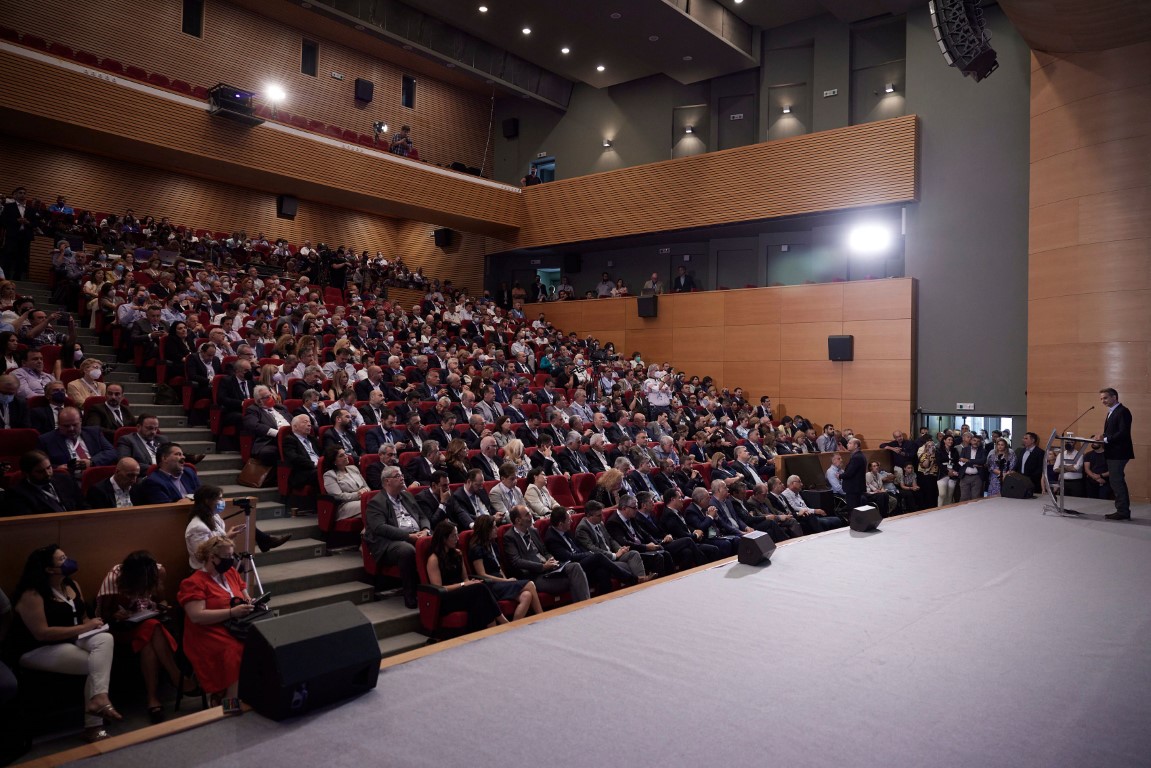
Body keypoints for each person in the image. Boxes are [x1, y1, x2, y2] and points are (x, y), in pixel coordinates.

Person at [9, 544, 120, 742]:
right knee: (94, 664)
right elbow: (42, 634)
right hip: (38, 648)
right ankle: (94, 725)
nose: (68, 561)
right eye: (62, 560)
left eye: (66, 556)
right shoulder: (32, 594)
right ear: (49, 569)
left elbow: (83, 618)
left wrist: (93, 625)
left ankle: (99, 699)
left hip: (73, 639)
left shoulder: (72, 585)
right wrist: (84, 627)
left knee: (105, 638)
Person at [96, 551, 196, 722]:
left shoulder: (158, 571)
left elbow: (162, 600)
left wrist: (161, 607)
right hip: (121, 628)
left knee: (149, 638)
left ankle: (153, 699)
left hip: (144, 623)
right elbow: (103, 615)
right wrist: (116, 615)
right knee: (153, 628)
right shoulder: (114, 578)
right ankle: (176, 677)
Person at [177, 535, 252, 707]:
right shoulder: (194, 582)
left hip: (233, 625)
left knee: (257, 642)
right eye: (226, 556)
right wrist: (232, 612)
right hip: (205, 632)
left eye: (232, 555)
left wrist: (249, 602)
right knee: (235, 650)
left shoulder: (230, 573)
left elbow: (244, 593)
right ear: (212, 557)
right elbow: (197, 616)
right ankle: (230, 702)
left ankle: (242, 694)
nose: (231, 560)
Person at [364, 466, 432, 608]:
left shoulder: (407, 495)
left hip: (417, 535)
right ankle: (410, 595)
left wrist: (425, 530)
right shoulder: (376, 502)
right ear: (387, 481)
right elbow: (380, 528)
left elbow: (422, 516)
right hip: (390, 543)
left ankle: (436, 590)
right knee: (406, 550)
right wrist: (408, 536)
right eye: (397, 476)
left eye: (401, 475)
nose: (402, 478)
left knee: (442, 539)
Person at [425, 521, 508, 632]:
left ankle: (492, 629)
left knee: (480, 588)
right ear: (444, 539)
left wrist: (469, 583)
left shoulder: (458, 553)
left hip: (461, 592)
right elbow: (439, 588)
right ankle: (502, 622)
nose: (457, 538)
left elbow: (465, 578)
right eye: (453, 536)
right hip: (446, 598)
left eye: (457, 535)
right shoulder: (433, 559)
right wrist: (464, 584)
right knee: (479, 590)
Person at [503, 505, 591, 602]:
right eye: (527, 514)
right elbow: (517, 561)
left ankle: (586, 604)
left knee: (575, 566)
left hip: (548, 568)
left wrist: (551, 559)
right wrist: (542, 566)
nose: (531, 516)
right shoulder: (510, 537)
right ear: (518, 520)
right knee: (573, 580)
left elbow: (545, 551)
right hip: (534, 575)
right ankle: (582, 606)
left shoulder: (533, 531)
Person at [466, 515, 542, 620]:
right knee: (530, 584)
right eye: (493, 527)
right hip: (490, 585)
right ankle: (541, 616)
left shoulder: (493, 545)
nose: (496, 529)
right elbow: (482, 574)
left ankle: (514, 626)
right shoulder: (476, 549)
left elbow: (499, 567)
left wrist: (506, 580)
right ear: (486, 530)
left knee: (526, 596)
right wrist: (505, 581)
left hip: (500, 582)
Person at [1094, 387, 1133, 520]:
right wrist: (1103, 436)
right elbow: (1113, 432)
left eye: (1105, 398)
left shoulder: (1123, 411)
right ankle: (1123, 510)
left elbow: (1123, 433)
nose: (1103, 401)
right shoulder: (1112, 412)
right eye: (1101, 399)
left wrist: (1105, 439)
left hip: (1119, 453)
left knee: (1116, 482)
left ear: (1114, 397)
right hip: (1113, 452)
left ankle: (1123, 511)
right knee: (1117, 481)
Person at [322, 445, 372, 521]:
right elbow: (339, 496)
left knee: (379, 506)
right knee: (372, 506)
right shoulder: (329, 475)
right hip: (344, 506)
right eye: (341, 456)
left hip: (362, 500)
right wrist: (358, 494)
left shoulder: (353, 468)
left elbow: (366, 486)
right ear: (334, 461)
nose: (346, 456)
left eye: (345, 454)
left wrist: (365, 491)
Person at [936, 434, 960, 507]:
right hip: (943, 474)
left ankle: (948, 509)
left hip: (953, 474)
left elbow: (957, 462)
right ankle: (939, 508)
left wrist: (953, 471)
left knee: (950, 495)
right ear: (944, 441)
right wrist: (947, 471)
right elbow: (939, 463)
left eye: (952, 440)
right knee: (942, 494)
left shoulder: (954, 450)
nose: (951, 441)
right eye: (949, 440)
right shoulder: (939, 450)